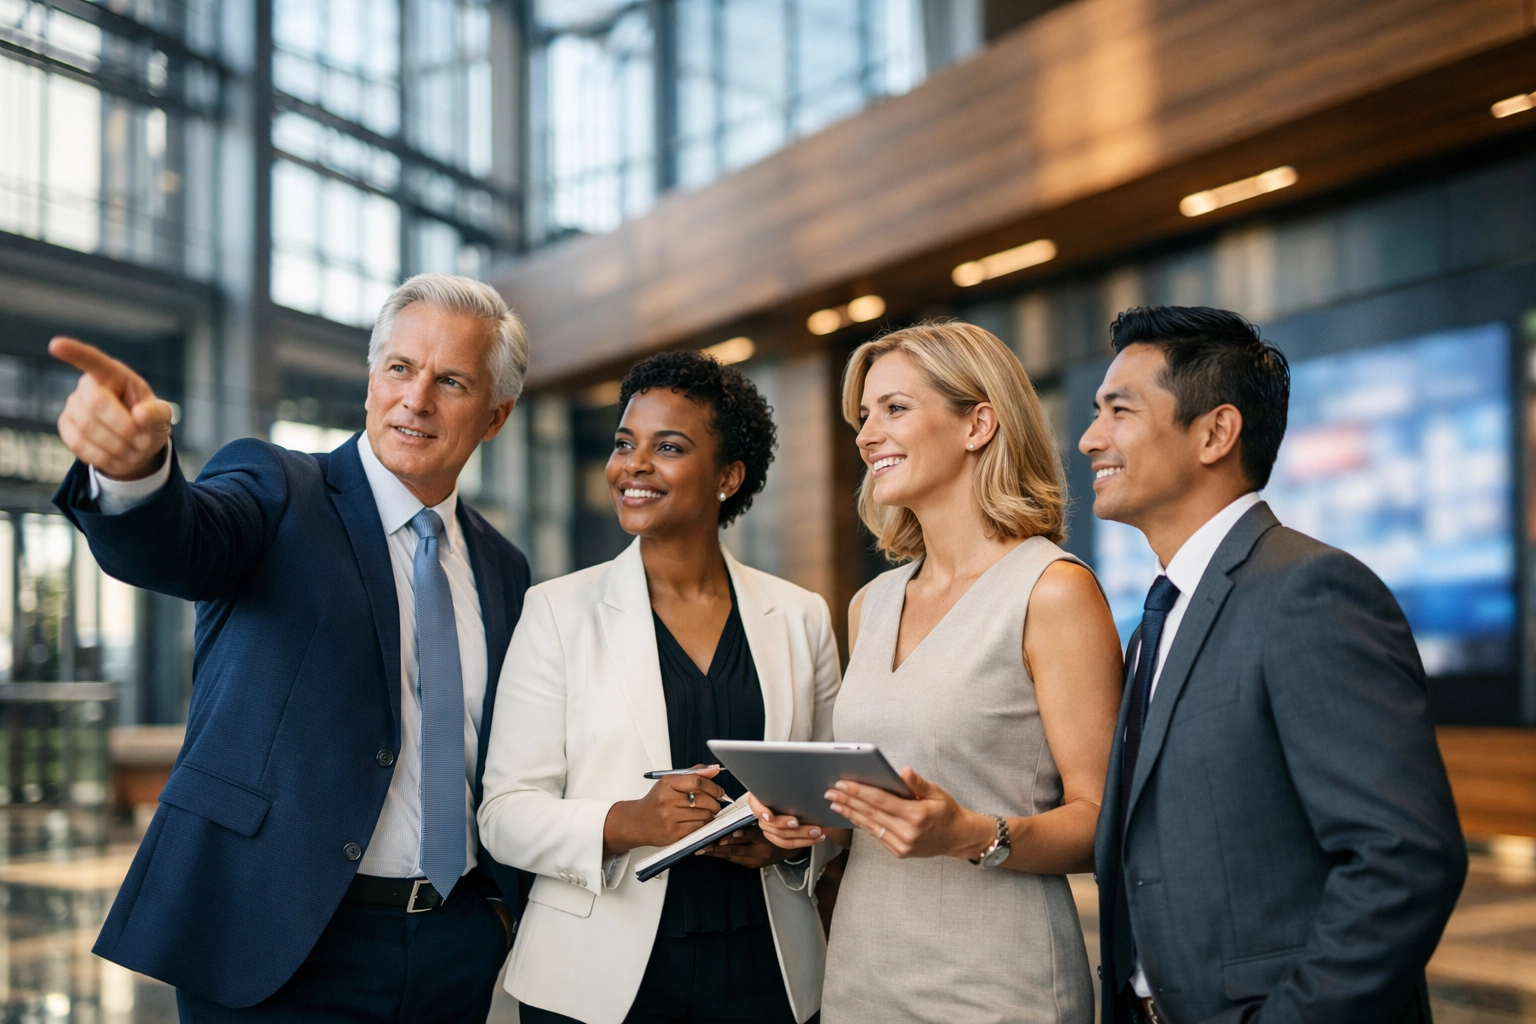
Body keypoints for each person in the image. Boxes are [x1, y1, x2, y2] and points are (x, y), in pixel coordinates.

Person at [51, 273, 533, 1022]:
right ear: (372, 380)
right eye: (400, 368)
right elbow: (180, 542)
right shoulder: (277, 488)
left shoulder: (504, 567)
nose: (417, 398)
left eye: (452, 381)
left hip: (455, 948)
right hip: (276, 942)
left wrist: (495, 911)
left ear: (495, 416)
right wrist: (134, 473)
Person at [1081, 305, 1467, 1024]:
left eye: (1119, 411)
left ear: (1216, 433)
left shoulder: (1308, 591)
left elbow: (1404, 859)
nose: (1089, 438)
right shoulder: (1153, 626)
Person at [755, 321, 1123, 1024]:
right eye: (863, 416)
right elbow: (872, 812)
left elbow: (1101, 821)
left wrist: (968, 834)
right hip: (861, 977)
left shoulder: (1051, 591)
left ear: (978, 423)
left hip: (999, 989)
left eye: (894, 408)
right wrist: (810, 823)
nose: (866, 434)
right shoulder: (871, 604)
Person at [478, 350, 841, 1024]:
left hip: (769, 969)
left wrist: (792, 843)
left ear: (729, 475)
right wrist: (627, 822)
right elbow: (503, 813)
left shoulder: (801, 615)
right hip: (595, 979)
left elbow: (832, 801)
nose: (632, 465)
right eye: (624, 444)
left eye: (667, 447)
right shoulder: (556, 612)